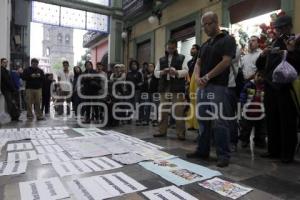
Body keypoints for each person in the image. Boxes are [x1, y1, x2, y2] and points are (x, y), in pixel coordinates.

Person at [186, 12, 236, 167]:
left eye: (207, 24)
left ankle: (223, 154)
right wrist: (198, 77)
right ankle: (202, 150)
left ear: (216, 22)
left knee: (220, 121)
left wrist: (207, 77)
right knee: (203, 120)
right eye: (203, 26)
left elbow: (226, 61)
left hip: (218, 86)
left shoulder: (228, 40)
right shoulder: (206, 44)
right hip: (203, 86)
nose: (205, 28)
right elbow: (198, 63)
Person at [256, 15, 300, 163]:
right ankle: (273, 150)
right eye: (278, 28)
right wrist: (263, 55)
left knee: (287, 121)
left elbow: (297, 64)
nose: (280, 30)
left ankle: (287, 154)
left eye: (283, 27)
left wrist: (291, 51)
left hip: (286, 87)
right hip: (270, 86)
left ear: (289, 26)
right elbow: (261, 65)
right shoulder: (274, 41)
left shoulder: (296, 40)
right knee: (272, 119)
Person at [154, 39, 188, 140]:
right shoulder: (161, 59)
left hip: (177, 87)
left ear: (176, 47)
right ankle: (162, 131)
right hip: (164, 87)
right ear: (166, 47)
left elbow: (186, 71)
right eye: (169, 48)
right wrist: (162, 72)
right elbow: (155, 73)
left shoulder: (182, 58)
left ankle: (180, 133)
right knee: (163, 110)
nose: (170, 50)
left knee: (178, 111)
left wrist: (176, 72)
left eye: (172, 48)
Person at [239, 70, 266, 148]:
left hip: (261, 112)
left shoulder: (265, 86)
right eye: (259, 75)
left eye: (262, 76)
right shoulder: (249, 85)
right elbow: (243, 94)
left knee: (261, 129)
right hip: (249, 111)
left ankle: (260, 141)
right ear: (255, 75)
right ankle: (244, 140)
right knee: (245, 128)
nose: (260, 78)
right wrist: (243, 104)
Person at [186, 44, 201, 130]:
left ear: (198, 51)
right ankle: (192, 123)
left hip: (197, 83)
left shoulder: (199, 61)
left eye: (194, 48)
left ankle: (197, 124)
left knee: (197, 103)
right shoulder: (189, 62)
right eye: (191, 48)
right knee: (191, 103)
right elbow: (188, 73)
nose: (192, 50)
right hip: (190, 83)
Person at [126, 60, 144, 126]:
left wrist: (137, 85)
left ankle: (139, 119)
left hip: (137, 91)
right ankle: (129, 118)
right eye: (132, 64)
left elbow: (142, 82)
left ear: (137, 65)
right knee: (130, 105)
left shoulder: (139, 73)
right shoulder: (128, 73)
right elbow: (126, 82)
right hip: (129, 91)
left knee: (136, 105)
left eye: (135, 64)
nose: (134, 65)